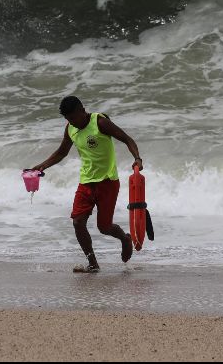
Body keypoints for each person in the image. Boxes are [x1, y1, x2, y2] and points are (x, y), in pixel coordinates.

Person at [31, 96, 143, 273]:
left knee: (104, 227)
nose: (72, 122)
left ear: (82, 111)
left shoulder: (100, 123)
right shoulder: (70, 128)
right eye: (68, 119)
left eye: (73, 118)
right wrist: (43, 165)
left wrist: (137, 158)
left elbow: (127, 139)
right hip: (86, 182)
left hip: (108, 181)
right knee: (77, 222)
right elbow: (61, 152)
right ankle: (92, 262)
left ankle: (125, 239)